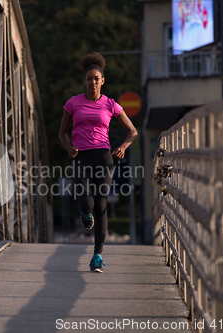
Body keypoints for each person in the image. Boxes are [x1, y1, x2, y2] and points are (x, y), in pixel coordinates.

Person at [58, 52, 137, 272]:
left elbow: (132, 132)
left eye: (96, 79)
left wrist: (121, 147)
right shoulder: (73, 103)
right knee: (86, 204)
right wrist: (68, 147)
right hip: (80, 156)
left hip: (103, 157)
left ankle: (97, 255)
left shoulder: (111, 104)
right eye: (89, 78)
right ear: (84, 81)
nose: (92, 82)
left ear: (102, 81)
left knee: (101, 204)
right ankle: (85, 214)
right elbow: (62, 133)